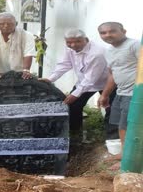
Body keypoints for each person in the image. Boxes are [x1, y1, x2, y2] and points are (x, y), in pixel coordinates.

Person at [39, 28, 109, 142]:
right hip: (84, 82)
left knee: (110, 109)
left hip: (105, 83)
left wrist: (75, 94)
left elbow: (91, 79)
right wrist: (50, 79)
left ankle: (109, 137)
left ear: (86, 39)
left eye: (77, 41)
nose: (73, 45)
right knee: (73, 106)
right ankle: (76, 135)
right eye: (69, 42)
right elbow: (64, 64)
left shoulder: (97, 53)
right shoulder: (70, 49)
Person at [97, 22, 140, 169]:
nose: (107, 35)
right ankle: (124, 153)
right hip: (121, 92)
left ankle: (130, 160)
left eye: (112, 31)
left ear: (123, 31)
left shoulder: (134, 45)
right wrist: (105, 94)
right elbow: (112, 74)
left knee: (130, 126)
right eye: (103, 33)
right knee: (121, 125)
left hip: (134, 94)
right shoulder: (109, 51)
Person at [0, 12, 36, 80]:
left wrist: (26, 70)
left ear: (16, 24)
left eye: (10, 24)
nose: (6, 26)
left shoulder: (27, 35)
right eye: (1, 24)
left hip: (18, 74)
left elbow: (28, 54)